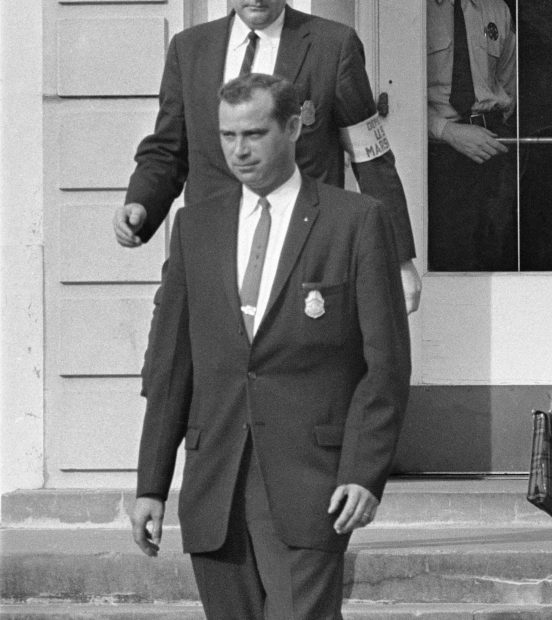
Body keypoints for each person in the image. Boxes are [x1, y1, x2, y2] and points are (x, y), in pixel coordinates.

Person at [129, 73, 411, 618]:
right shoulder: (195, 227)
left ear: (294, 125)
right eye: (228, 136)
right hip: (215, 483)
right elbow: (171, 368)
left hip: (313, 482)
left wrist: (364, 470)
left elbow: (386, 365)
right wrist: (151, 485)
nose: (239, 150)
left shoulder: (355, 221)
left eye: (254, 134)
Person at [113, 0, 421, 313]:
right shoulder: (189, 49)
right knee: (169, 361)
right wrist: (141, 202)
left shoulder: (333, 46)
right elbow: (168, 148)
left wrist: (399, 258)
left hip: (303, 266)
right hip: (207, 262)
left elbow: (370, 156)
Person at [427, 0, 518, 271]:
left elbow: (507, 79)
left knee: (498, 250)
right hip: (437, 150)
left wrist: (493, 127)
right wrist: (447, 131)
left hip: (490, 143)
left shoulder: (496, 8)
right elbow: (396, 93)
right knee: (449, 255)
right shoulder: (415, 10)